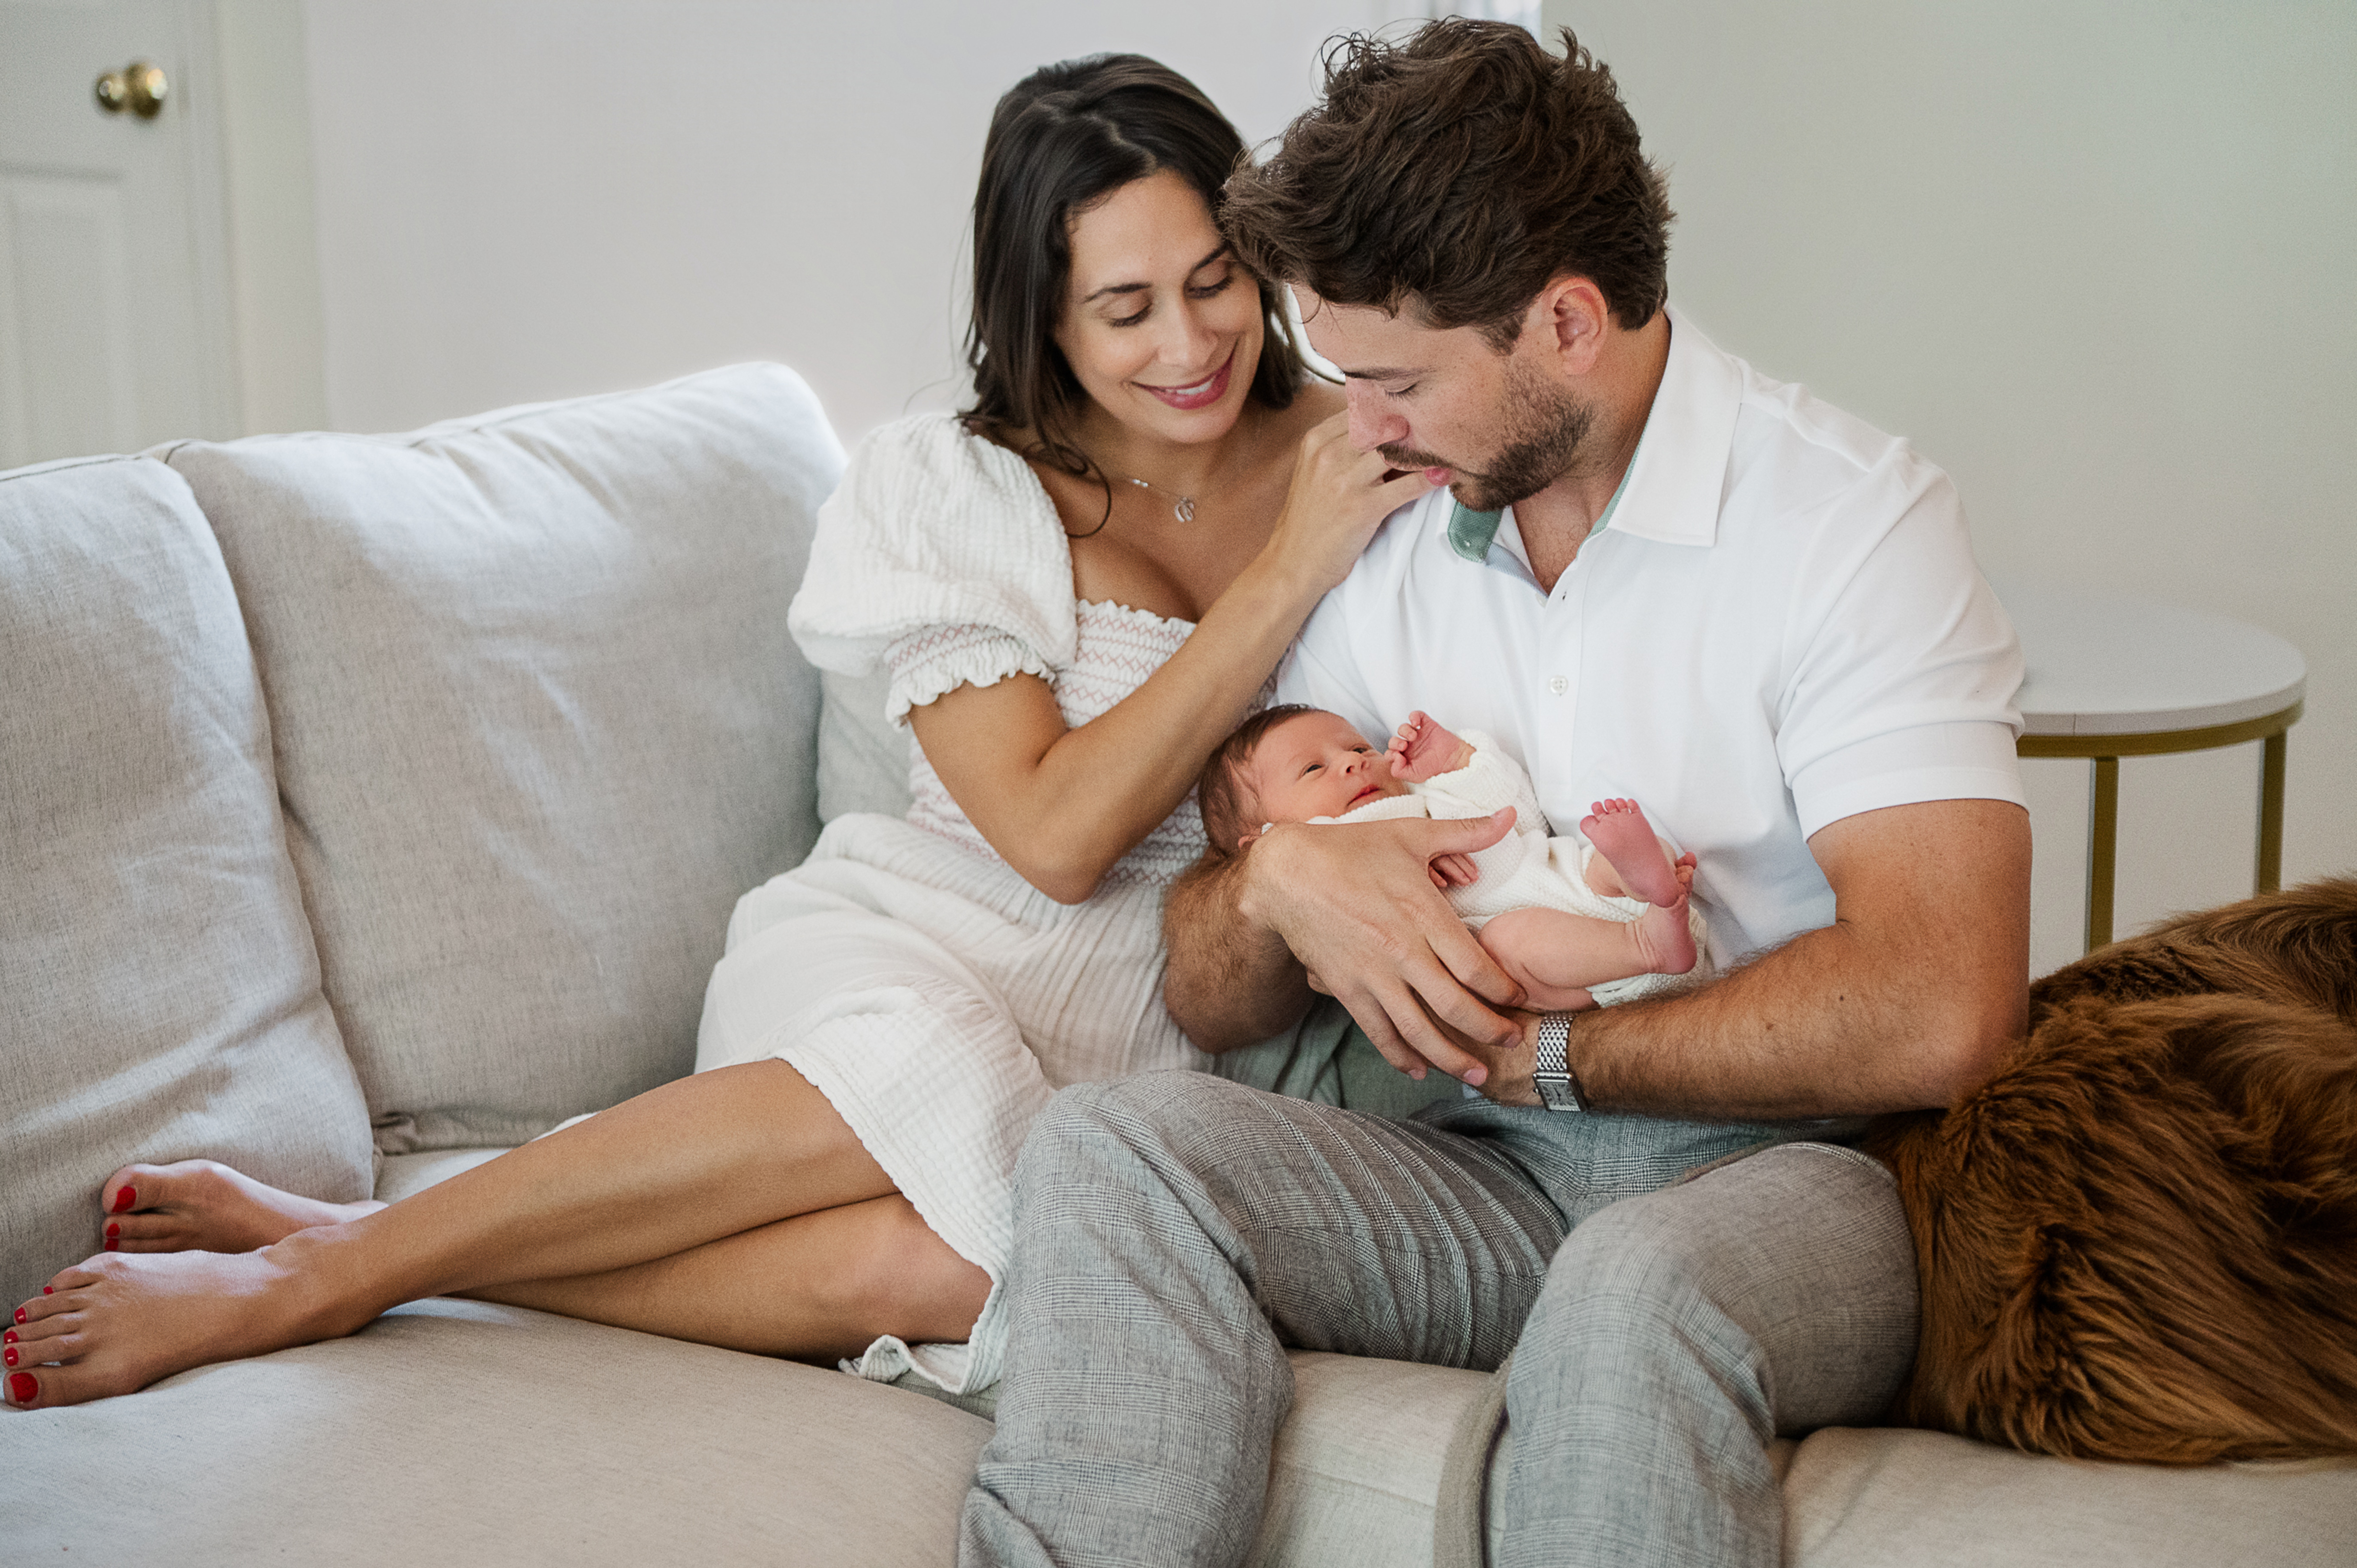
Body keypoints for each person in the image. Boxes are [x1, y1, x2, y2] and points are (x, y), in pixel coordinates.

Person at [0, 54, 1433, 1410]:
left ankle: (397, 1231)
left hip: (1127, 1040)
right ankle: (322, 1275)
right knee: (920, 1058)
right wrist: (1284, 574)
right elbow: (1055, 840)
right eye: (1125, 310)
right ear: (1042, 321)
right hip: (907, 952)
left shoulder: (1353, 443)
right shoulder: (959, 483)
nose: (1190, 345)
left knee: (965, 1267)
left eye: (1213, 282)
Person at [959, 21, 2031, 1568]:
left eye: (1394, 380)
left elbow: (1942, 1002)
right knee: (1111, 1149)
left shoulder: (1849, 527)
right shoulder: (1390, 522)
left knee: (1637, 1288)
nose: (1357, 427)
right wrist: (1272, 886)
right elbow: (1206, 990)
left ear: (1568, 322)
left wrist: (1557, 1052)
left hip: (1797, 1175)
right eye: (1342, 375)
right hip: (1472, 1168)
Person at [1195, 703, 1705, 1010]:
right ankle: (1645, 943)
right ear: (1263, 843)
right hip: (1560, 969)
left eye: (1359, 747)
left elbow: (1516, 816)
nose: (1353, 762)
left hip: (1572, 881)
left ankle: (1648, 880)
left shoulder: (1428, 799)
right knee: (1513, 939)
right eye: (1312, 770)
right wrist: (1388, 863)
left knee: (1599, 861)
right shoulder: (1326, 856)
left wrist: (1461, 762)